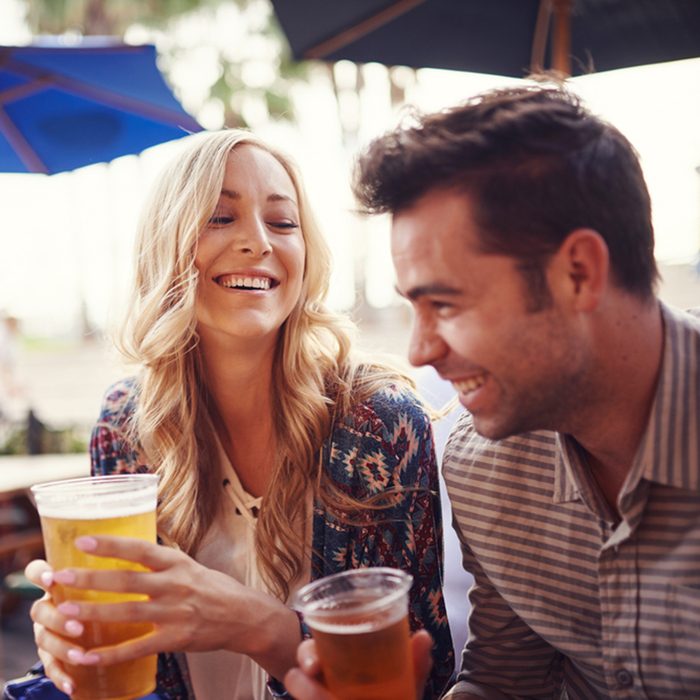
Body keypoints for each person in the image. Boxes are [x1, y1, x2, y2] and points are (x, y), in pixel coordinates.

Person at [284, 84, 700, 699]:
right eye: (414, 307)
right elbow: (508, 681)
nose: (419, 351)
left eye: (445, 304)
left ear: (577, 273)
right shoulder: (483, 469)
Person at [25, 129, 454, 699]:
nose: (258, 242)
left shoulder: (376, 422)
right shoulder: (126, 425)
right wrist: (70, 648)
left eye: (283, 223)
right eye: (220, 218)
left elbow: (418, 676)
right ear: (167, 246)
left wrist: (258, 625)